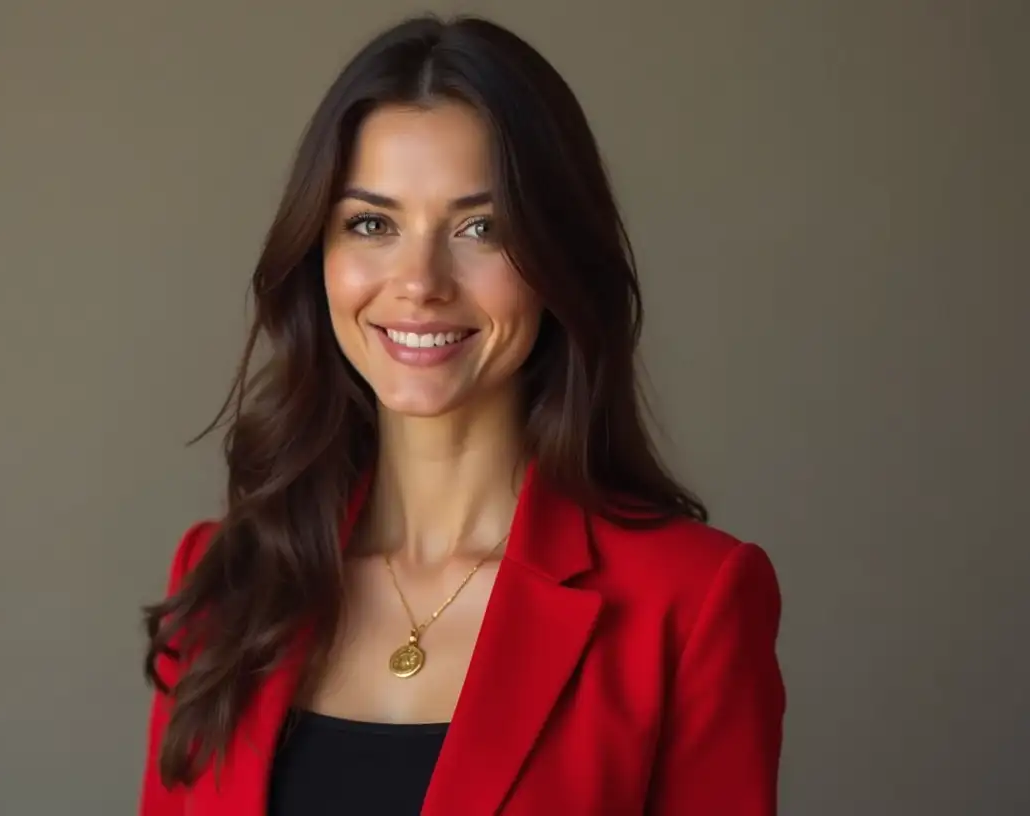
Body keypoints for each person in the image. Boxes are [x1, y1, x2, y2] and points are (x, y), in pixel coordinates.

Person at [138, 13, 785, 816]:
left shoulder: (690, 603)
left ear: (557, 261)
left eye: (481, 227)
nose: (420, 281)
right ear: (319, 258)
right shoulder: (225, 582)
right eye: (371, 223)